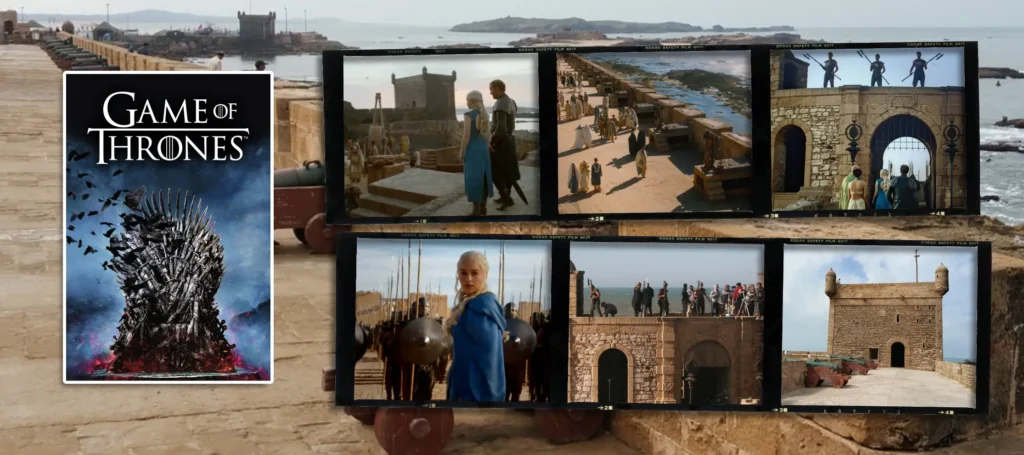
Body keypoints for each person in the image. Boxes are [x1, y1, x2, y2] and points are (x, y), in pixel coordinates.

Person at [445, 251, 507, 402]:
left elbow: (485, 357)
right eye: (463, 273)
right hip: (469, 389)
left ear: (484, 274)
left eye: (475, 273)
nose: (469, 279)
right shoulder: (473, 305)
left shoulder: (481, 307)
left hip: (476, 393)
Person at [460, 91, 495, 216]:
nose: (466, 102)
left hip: (473, 150)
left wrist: (461, 152)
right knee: (484, 176)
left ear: (473, 101)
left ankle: (476, 210)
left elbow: (467, 136)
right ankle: (483, 207)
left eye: (467, 100)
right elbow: (488, 135)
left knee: (473, 178)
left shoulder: (468, 115)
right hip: (483, 149)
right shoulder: (485, 114)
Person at [489, 80, 521, 211]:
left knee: (496, 174)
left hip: (501, 143)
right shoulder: (511, 101)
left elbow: (501, 128)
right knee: (508, 172)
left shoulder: (501, 103)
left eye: (491, 89)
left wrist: (492, 143)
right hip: (510, 141)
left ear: (497, 88)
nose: (490, 92)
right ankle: (505, 196)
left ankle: (507, 199)